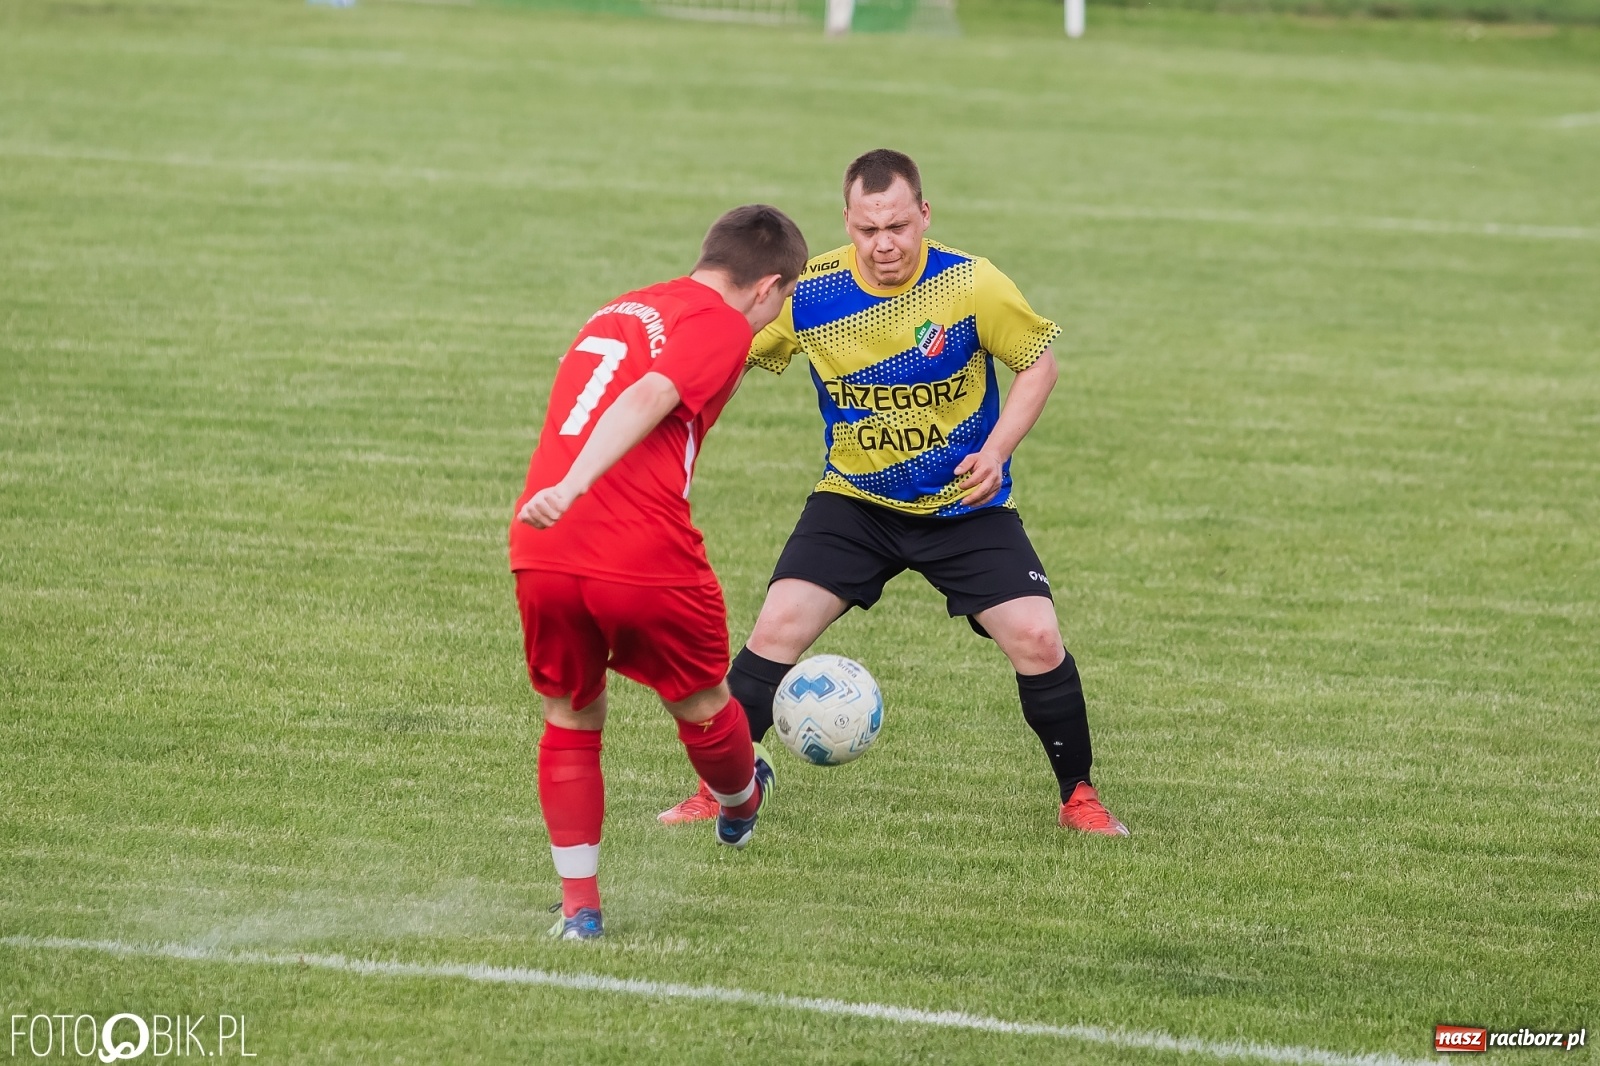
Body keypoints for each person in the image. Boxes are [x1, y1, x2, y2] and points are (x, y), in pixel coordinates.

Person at [659, 150, 1128, 836]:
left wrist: (996, 453)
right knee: (775, 629)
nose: (885, 244)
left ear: (924, 216)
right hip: (854, 503)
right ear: (847, 223)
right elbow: (729, 345)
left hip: (963, 505)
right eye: (869, 229)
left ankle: (1079, 797)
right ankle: (719, 790)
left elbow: (1039, 365)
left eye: (899, 226)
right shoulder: (810, 289)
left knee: (1036, 637)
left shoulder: (971, 284)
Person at [510, 204, 809, 941]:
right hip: (639, 550)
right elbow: (650, 395)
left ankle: (580, 911)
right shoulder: (723, 324)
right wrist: (579, 484)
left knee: (573, 714)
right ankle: (740, 802)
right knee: (704, 701)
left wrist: (561, 493)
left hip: (540, 548)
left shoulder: (624, 305)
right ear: (767, 287)